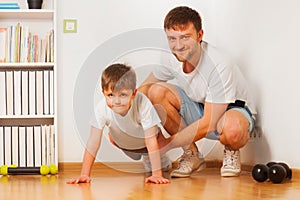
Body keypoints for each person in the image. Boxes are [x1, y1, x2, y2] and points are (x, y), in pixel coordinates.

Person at [139, 6, 256, 178]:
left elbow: (209, 122)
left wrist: (166, 144)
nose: (178, 46)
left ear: (199, 36)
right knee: (155, 92)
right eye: (172, 38)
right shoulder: (169, 56)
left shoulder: (219, 64)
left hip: (231, 111)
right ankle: (192, 155)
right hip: (200, 107)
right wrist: (120, 116)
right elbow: (144, 88)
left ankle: (231, 151)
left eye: (185, 37)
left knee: (233, 130)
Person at [67, 63, 171, 184]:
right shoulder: (101, 108)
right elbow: (93, 142)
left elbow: (150, 139)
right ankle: (141, 154)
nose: (117, 101)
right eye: (111, 95)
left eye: (123, 95)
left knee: (158, 154)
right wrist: (84, 174)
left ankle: (154, 158)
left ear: (133, 94)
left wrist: (157, 174)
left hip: (149, 140)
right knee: (117, 139)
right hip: (125, 142)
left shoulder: (142, 103)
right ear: (104, 93)